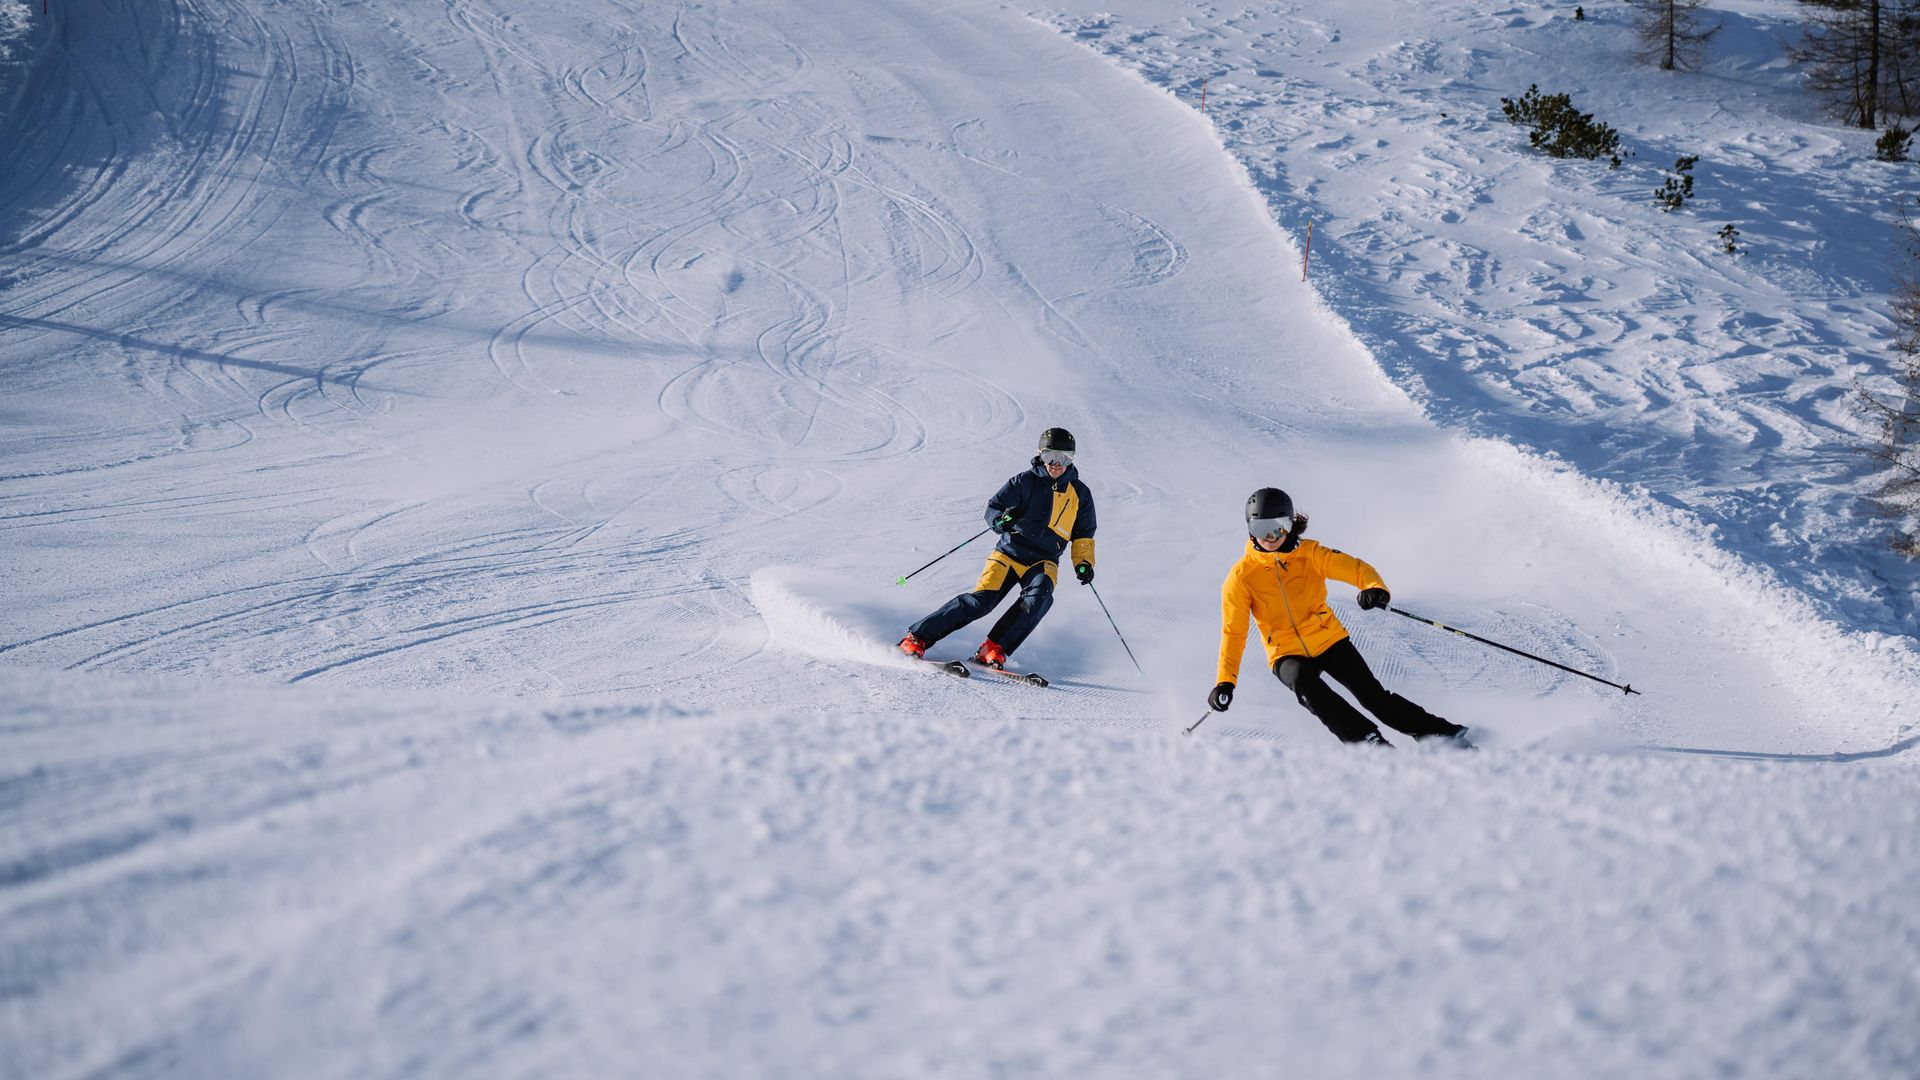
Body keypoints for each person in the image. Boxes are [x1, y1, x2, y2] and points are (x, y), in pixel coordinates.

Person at [1207, 487, 1471, 748]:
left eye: (1277, 527)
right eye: (1260, 529)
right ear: (1249, 529)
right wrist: (1225, 681)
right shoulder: (1241, 577)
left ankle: (1438, 733)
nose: (1270, 537)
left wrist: (1373, 587)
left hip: (1328, 638)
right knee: (1307, 688)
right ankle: (1368, 741)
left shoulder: (1310, 554)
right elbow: (1234, 633)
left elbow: (1355, 569)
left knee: (1373, 697)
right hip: (1285, 652)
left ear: (1288, 524)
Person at [899, 428, 1096, 668]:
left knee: (1040, 598)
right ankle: (916, 638)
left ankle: (994, 649)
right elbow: (994, 508)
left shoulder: (1080, 494)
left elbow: (1083, 535)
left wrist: (1084, 563)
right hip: (1010, 553)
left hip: (1043, 560)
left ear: (1071, 459)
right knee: (982, 602)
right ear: (1040, 456)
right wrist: (1001, 520)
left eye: (1063, 458)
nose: (1055, 464)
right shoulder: (1024, 481)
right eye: (1049, 457)